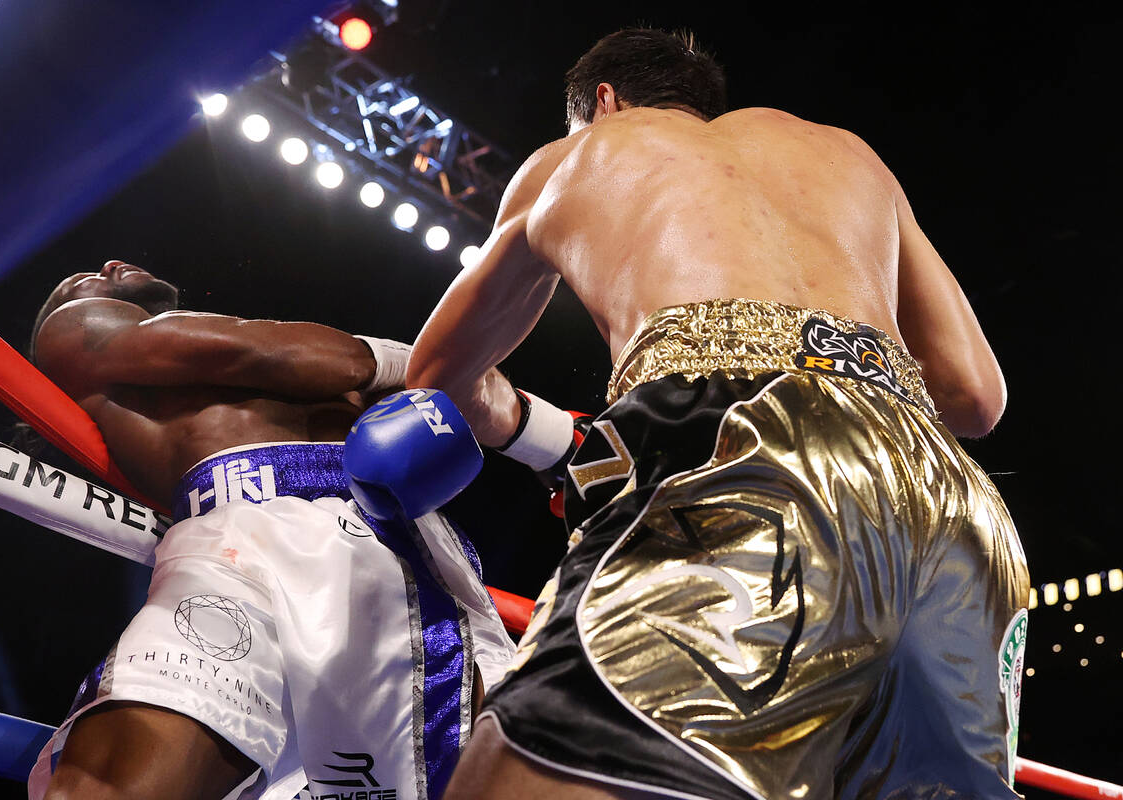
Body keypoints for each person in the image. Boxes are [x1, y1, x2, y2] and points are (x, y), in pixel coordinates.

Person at [407, 27, 1030, 800]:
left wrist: (532, 431)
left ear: (602, 102)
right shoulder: (847, 154)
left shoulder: (584, 154)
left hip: (744, 444)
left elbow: (435, 375)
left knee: (515, 779)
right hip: (952, 503)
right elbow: (976, 396)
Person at [24, 260, 515, 800]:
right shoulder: (78, 328)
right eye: (85, 275)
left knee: (491, 775)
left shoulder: (211, 364)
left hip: (380, 537)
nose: (111, 265)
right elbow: (320, 358)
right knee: (102, 784)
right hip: (229, 543)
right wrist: (418, 363)